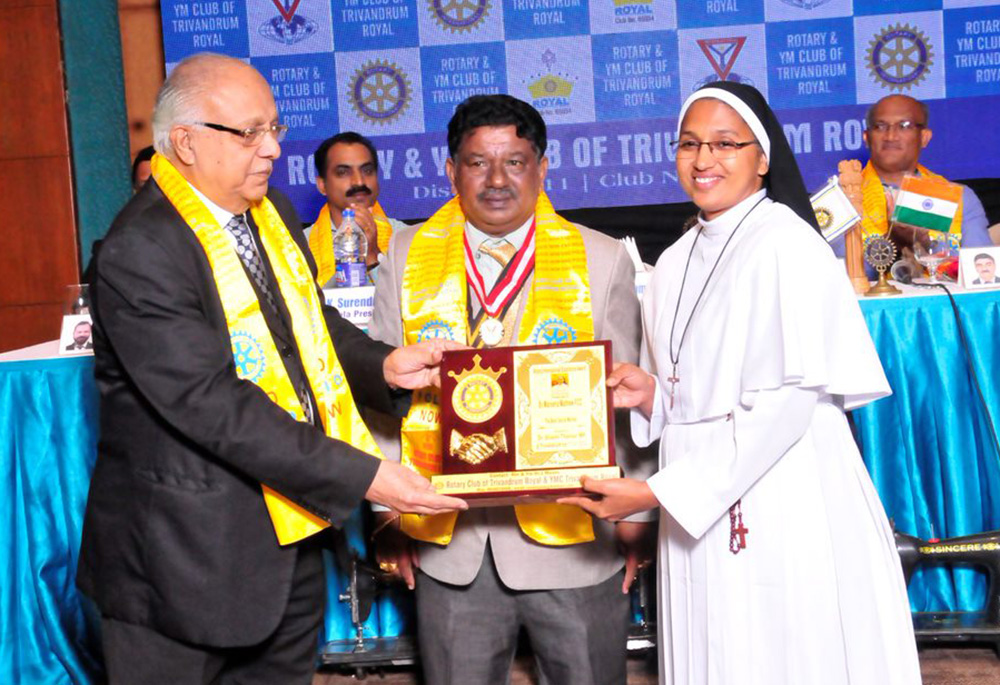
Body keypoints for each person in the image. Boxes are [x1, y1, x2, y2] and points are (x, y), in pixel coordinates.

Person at [77, 53, 466, 685]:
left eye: (276, 129)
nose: (271, 150)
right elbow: (212, 404)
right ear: (185, 142)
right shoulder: (141, 249)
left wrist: (384, 365)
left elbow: (307, 323)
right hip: (182, 560)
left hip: (290, 536)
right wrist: (367, 476)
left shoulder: (272, 212)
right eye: (249, 132)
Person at [561, 82, 921, 685]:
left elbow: (786, 406)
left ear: (762, 158)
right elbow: (701, 386)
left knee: (787, 651)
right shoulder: (673, 260)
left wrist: (653, 495)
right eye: (690, 144)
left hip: (786, 489)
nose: (704, 160)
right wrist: (651, 393)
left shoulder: (788, 243)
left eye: (726, 143)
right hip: (695, 495)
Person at [367, 94, 655, 685]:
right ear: (451, 170)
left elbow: (628, 401)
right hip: (451, 545)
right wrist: (386, 511)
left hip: (575, 541)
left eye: (515, 162)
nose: (496, 180)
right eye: (477, 162)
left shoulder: (599, 260)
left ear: (543, 167)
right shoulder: (404, 255)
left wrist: (638, 518)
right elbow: (382, 397)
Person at [830, 94, 990, 262]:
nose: (890, 136)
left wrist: (923, 245)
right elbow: (837, 277)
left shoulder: (961, 198)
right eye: (880, 126)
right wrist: (892, 242)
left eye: (904, 126)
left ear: (924, 137)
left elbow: (982, 272)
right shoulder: (839, 199)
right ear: (866, 137)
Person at [307, 132, 406, 284]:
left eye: (367, 171)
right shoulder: (298, 246)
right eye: (343, 172)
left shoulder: (406, 238)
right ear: (322, 185)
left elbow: (412, 303)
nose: (359, 181)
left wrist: (373, 255)